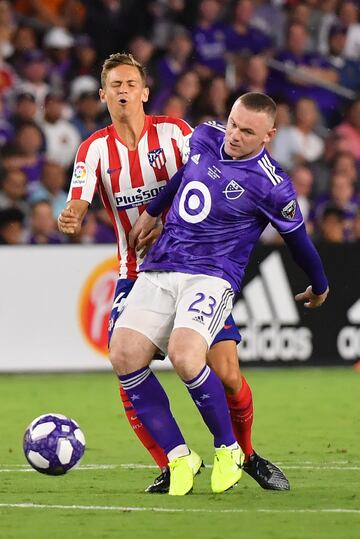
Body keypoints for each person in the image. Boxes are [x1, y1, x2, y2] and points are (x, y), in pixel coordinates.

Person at [58, 54, 290, 494]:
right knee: (125, 360)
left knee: (226, 373)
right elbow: (79, 197)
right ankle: (173, 461)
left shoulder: (176, 133)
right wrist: (70, 213)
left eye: (130, 82)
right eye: (114, 84)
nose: (123, 90)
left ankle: (247, 453)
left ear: (144, 92)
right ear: (103, 94)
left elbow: (204, 178)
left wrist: (165, 216)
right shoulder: (92, 150)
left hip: (197, 268)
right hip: (137, 273)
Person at [116, 92, 329, 495]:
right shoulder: (205, 135)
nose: (234, 135)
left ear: (268, 135)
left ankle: (235, 450)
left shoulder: (272, 186)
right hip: (163, 265)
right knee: (123, 353)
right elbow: (185, 175)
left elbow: (298, 241)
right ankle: (180, 458)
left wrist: (320, 284)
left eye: (247, 131)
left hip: (211, 277)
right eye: (233, 123)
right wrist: (151, 211)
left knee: (205, 365)